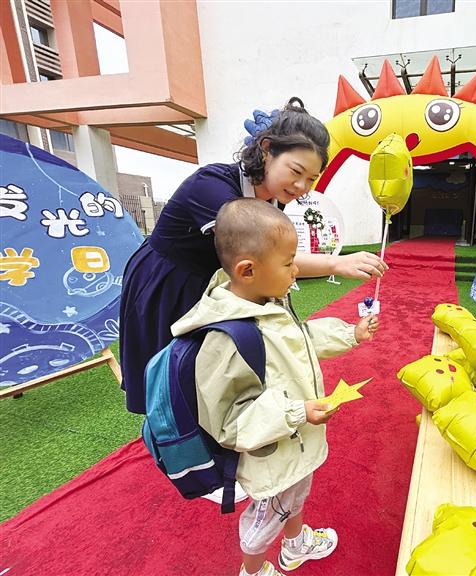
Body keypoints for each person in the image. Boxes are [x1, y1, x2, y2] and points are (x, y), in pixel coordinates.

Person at [119, 97, 386, 414]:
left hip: (218, 282)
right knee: (172, 382)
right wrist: (335, 263)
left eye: (312, 179)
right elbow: (264, 258)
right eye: (296, 171)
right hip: (171, 281)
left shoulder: (274, 197)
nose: (301, 186)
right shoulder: (212, 186)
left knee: (216, 379)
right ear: (266, 149)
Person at [172, 198, 379, 576]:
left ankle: (295, 546)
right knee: (267, 517)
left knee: (294, 495)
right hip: (271, 454)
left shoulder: (266, 302)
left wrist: (351, 333)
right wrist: (298, 412)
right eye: (288, 263)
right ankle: (252, 571)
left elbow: (298, 339)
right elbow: (230, 421)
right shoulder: (227, 337)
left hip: (294, 444)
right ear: (248, 270)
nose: (297, 270)